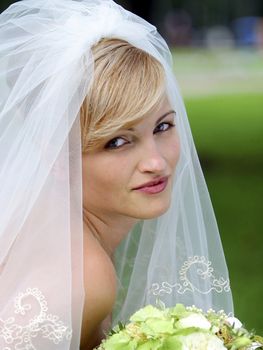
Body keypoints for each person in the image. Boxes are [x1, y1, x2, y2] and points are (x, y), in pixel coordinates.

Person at [0, 1, 233, 349]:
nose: (155, 161)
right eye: (118, 141)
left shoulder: (48, 227)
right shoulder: (84, 278)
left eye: (163, 126)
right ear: (58, 155)